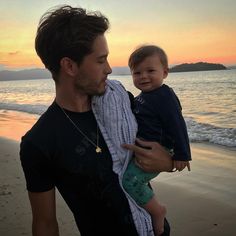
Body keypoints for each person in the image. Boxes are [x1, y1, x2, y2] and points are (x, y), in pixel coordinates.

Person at [19, 5, 173, 236]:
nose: (109, 69)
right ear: (69, 66)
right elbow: (45, 223)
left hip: (154, 229)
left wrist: (168, 162)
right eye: (101, 60)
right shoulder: (39, 142)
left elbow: (161, 147)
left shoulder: (122, 102)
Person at [122, 45, 192, 235]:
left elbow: (177, 124)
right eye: (137, 73)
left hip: (161, 151)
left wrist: (182, 154)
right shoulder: (145, 97)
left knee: (130, 182)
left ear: (165, 72)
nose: (143, 76)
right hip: (146, 151)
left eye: (150, 71)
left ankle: (157, 211)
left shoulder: (164, 96)